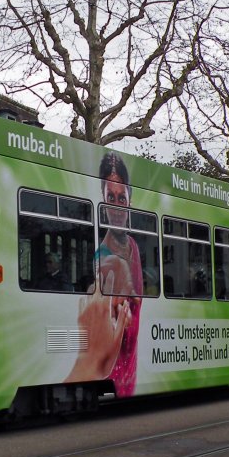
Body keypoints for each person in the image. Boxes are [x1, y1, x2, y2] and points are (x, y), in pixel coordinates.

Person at [70, 152, 143, 396]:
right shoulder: (104, 259)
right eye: (110, 198)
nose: (116, 207)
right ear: (102, 202)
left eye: (121, 198)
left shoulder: (133, 246)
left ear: (130, 200)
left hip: (132, 375)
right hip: (112, 373)